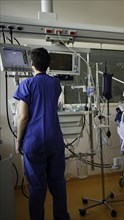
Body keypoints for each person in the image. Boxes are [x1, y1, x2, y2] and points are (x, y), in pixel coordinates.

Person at [14, 48, 70, 220]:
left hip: (34, 141)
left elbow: (23, 117)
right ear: (48, 64)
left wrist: (18, 141)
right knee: (58, 183)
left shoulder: (26, 84)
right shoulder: (55, 84)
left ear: (31, 64)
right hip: (54, 140)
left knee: (37, 187)